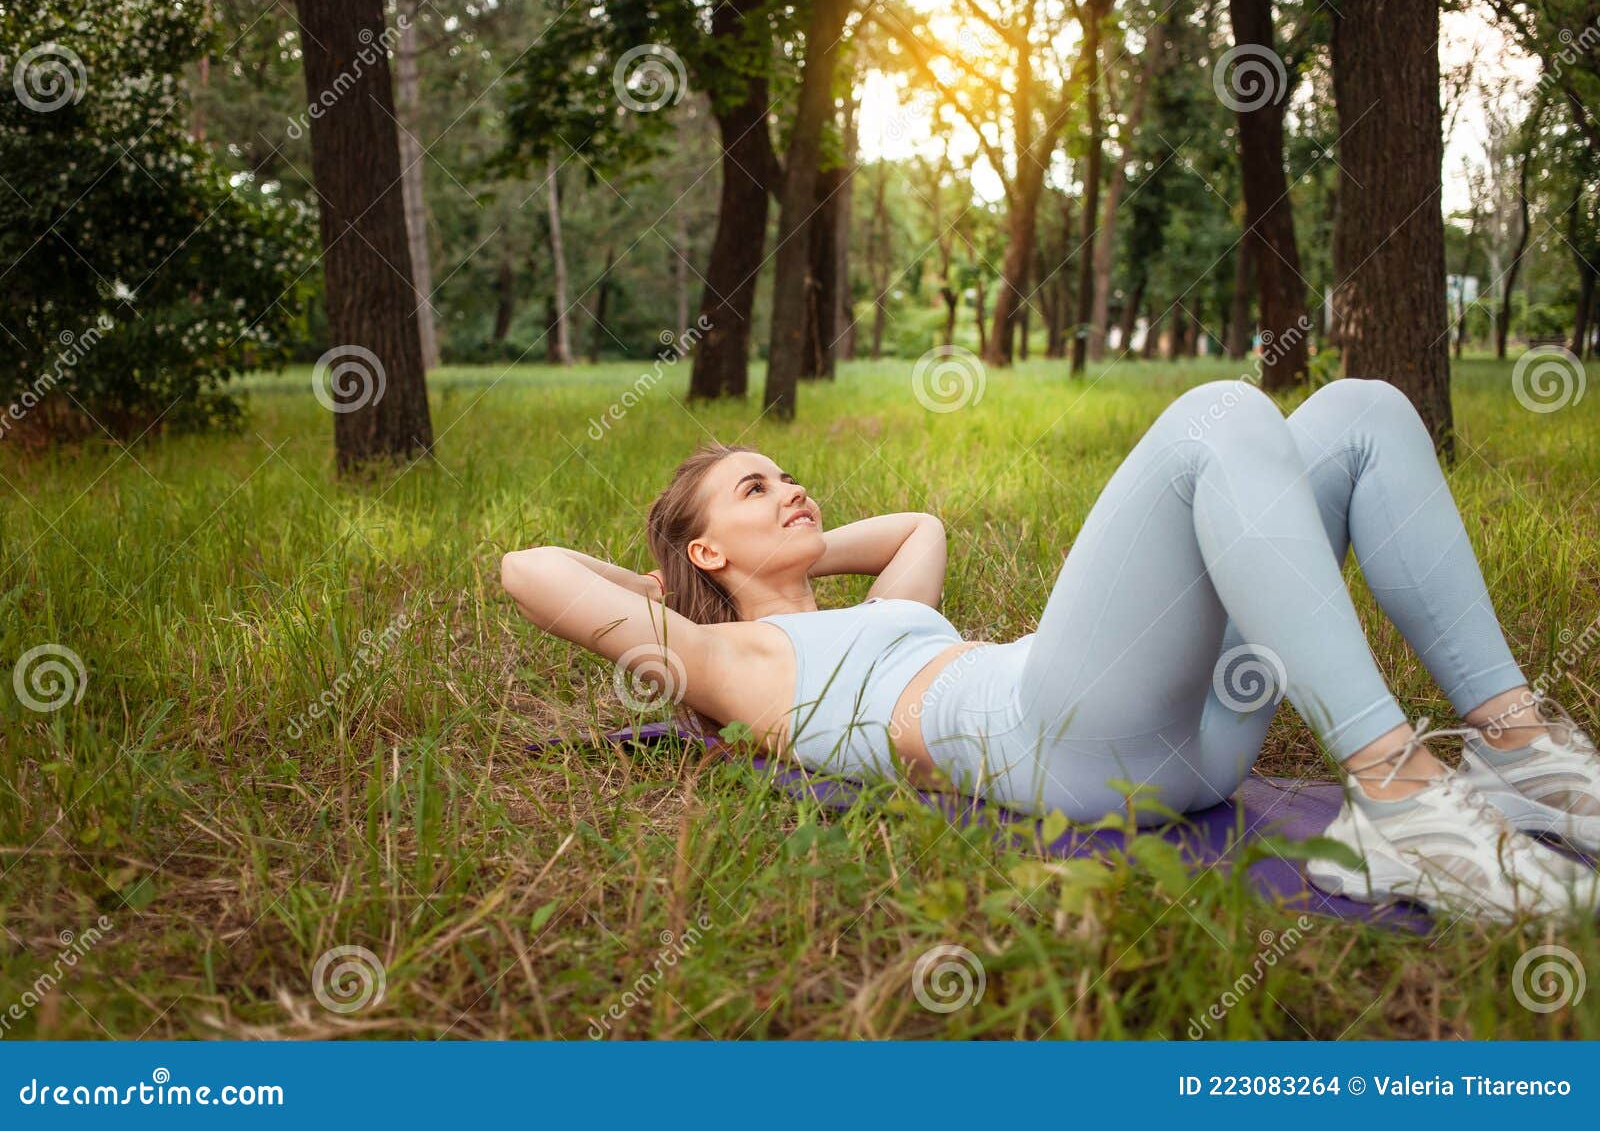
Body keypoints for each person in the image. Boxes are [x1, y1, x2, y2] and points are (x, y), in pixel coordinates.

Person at [500, 378, 1600, 921]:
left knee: (1358, 413)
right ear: (702, 546)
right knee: (1217, 416)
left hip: (1174, 725)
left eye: (786, 473)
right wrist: (664, 592)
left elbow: (918, 527)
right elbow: (528, 564)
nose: (789, 486)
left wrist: (789, 543)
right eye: (756, 486)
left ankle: (1522, 751)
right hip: (1059, 739)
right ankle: (1402, 799)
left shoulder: (873, 606)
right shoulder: (731, 659)